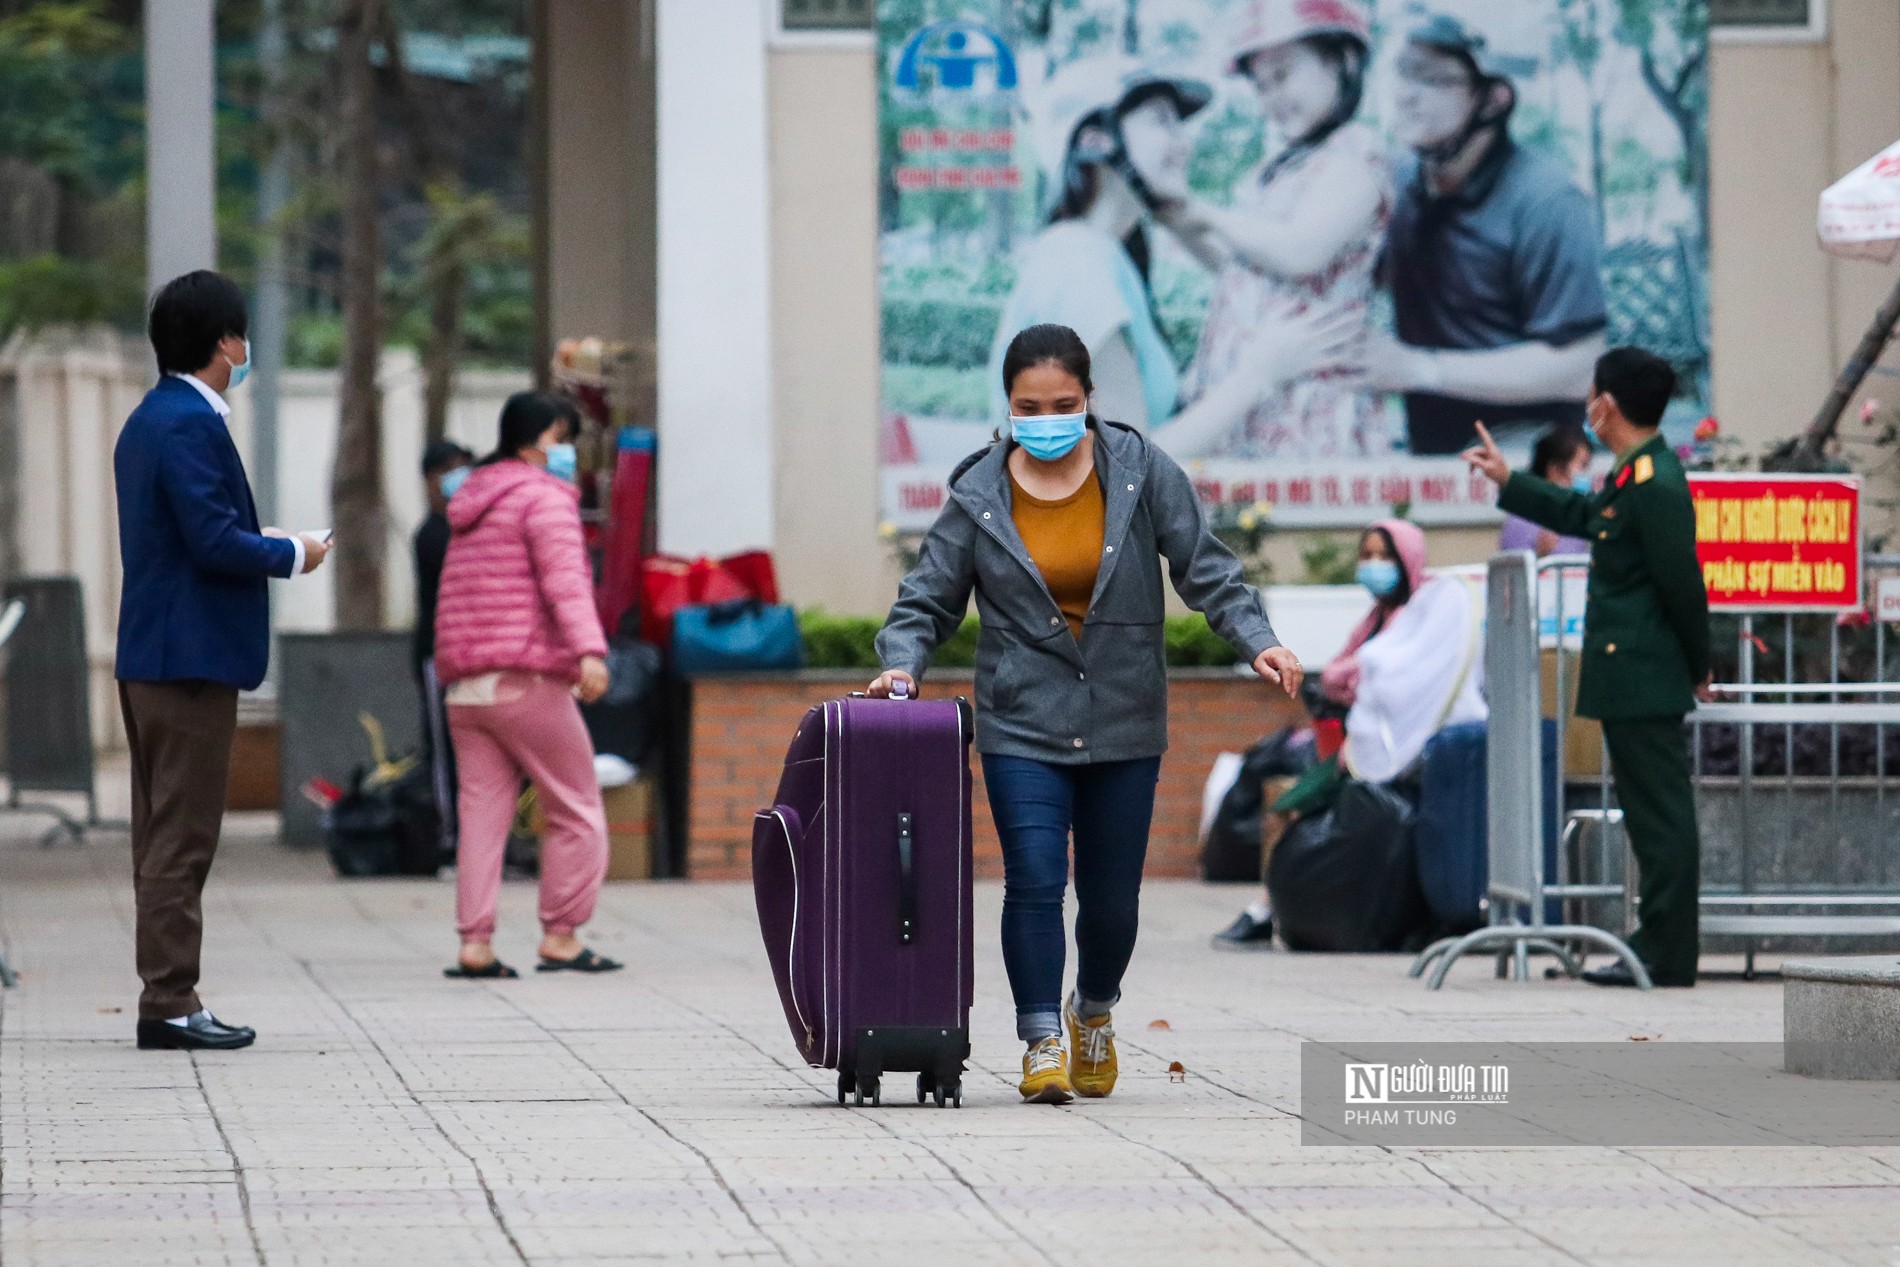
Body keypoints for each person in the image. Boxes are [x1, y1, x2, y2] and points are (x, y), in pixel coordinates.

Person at [873, 324, 1304, 1104]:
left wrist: (1258, 640)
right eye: (1028, 406)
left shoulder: (1139, 471)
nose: (1046, 418)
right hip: (1021, 718)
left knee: (1111, 898)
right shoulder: (978, 492)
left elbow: (1205, 567)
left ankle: (1093, 1010)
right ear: (1006, 405)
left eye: (1063, 403)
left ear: (1089, 400)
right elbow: (928, 596)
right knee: (1034, 879)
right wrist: (901, 661)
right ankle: (1041, 1039)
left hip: (1124, 715)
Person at [114, 270, 330, 1050]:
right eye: (242, 335)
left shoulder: (155, 417)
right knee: (182, 837)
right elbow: (211, 541)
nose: (246, 348)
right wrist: (292, 551)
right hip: (188, 660)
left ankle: (168, 994)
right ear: (226, 342)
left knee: (163, 832)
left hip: (158, 652)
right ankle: (169, 1001)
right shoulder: (188, 424)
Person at [1464, 346, 1710, 987]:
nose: (1586, 408)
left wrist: (1698, 664)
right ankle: (1656, 942)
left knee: (1660, 817)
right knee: (1650, 813)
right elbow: (1581, 516)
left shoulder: (1655, 483)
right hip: (1631, 671)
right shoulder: (1632, 477)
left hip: (1646, 671)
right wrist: (1508, 481)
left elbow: (1683, 584)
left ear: (1607, 404)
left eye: (1592, 395)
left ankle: (1668, 953)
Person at [990, 55, 1355, 440]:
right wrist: (1258, 374)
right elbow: (1126, 473)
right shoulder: (1076, 265)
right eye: (1161, 121)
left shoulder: (1100, 255)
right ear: (1095, 140)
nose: (1184, 143)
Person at [1215, 517, 1484, 946]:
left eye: (1384, 556)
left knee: (1292, 806)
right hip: (1351, 745)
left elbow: (1375, 675)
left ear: (1408, 559)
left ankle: (1267, 910)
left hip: (1386, 752)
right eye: (1367, 555)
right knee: (1284, 807)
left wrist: (1353, 678)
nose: (1373, 565)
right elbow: (1348, 670)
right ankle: (1271, 906)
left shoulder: (1423, 618)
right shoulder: (1376, 619)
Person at [1348, 13, 1607, 457]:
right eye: (1405, 71)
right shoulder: (1395, 181)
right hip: (1433, 453)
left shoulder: (1546, 201)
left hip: (1533, 461)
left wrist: (1419, 368)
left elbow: (1579, 368)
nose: (1406, 94)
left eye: (1432, 79)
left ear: (1493, 100)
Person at [434, 392, 620, 980]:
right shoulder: (542, 498)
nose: (569, 451)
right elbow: (566, 582)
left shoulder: (473, 502)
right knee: (576, 806)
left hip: (466, 687)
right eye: (563, 438)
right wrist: (589, 652)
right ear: (537, 439)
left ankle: (475, 944)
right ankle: (561, 936)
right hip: (524, 678)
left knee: (483, 816)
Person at [1157, 0, 1393, 459]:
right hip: (1261, 390)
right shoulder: (1277, 168)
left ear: (1342, 61)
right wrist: (1183, 225)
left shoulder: (1355, 155)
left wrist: (1204, 213)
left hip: (1312, 400)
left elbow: (1303, 251)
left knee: (1303, 529)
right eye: (1261, 86)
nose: (1272, 98)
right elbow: (1242, 267)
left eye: (1283, 75)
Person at [415, 439, 475, 857]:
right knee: (443, 749)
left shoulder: (462, 528)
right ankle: (448, 837)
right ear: (430, 479)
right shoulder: (433, 535)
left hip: (469, 651)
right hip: (437, 654)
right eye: (451, 471)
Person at [1499, 426, 1592, 556]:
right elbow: (1512, 570)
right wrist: (1541, 554)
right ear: (1554, 469)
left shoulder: (1577, 515)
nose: (1584, 474)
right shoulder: (1522, 518)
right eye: (1582, 465)